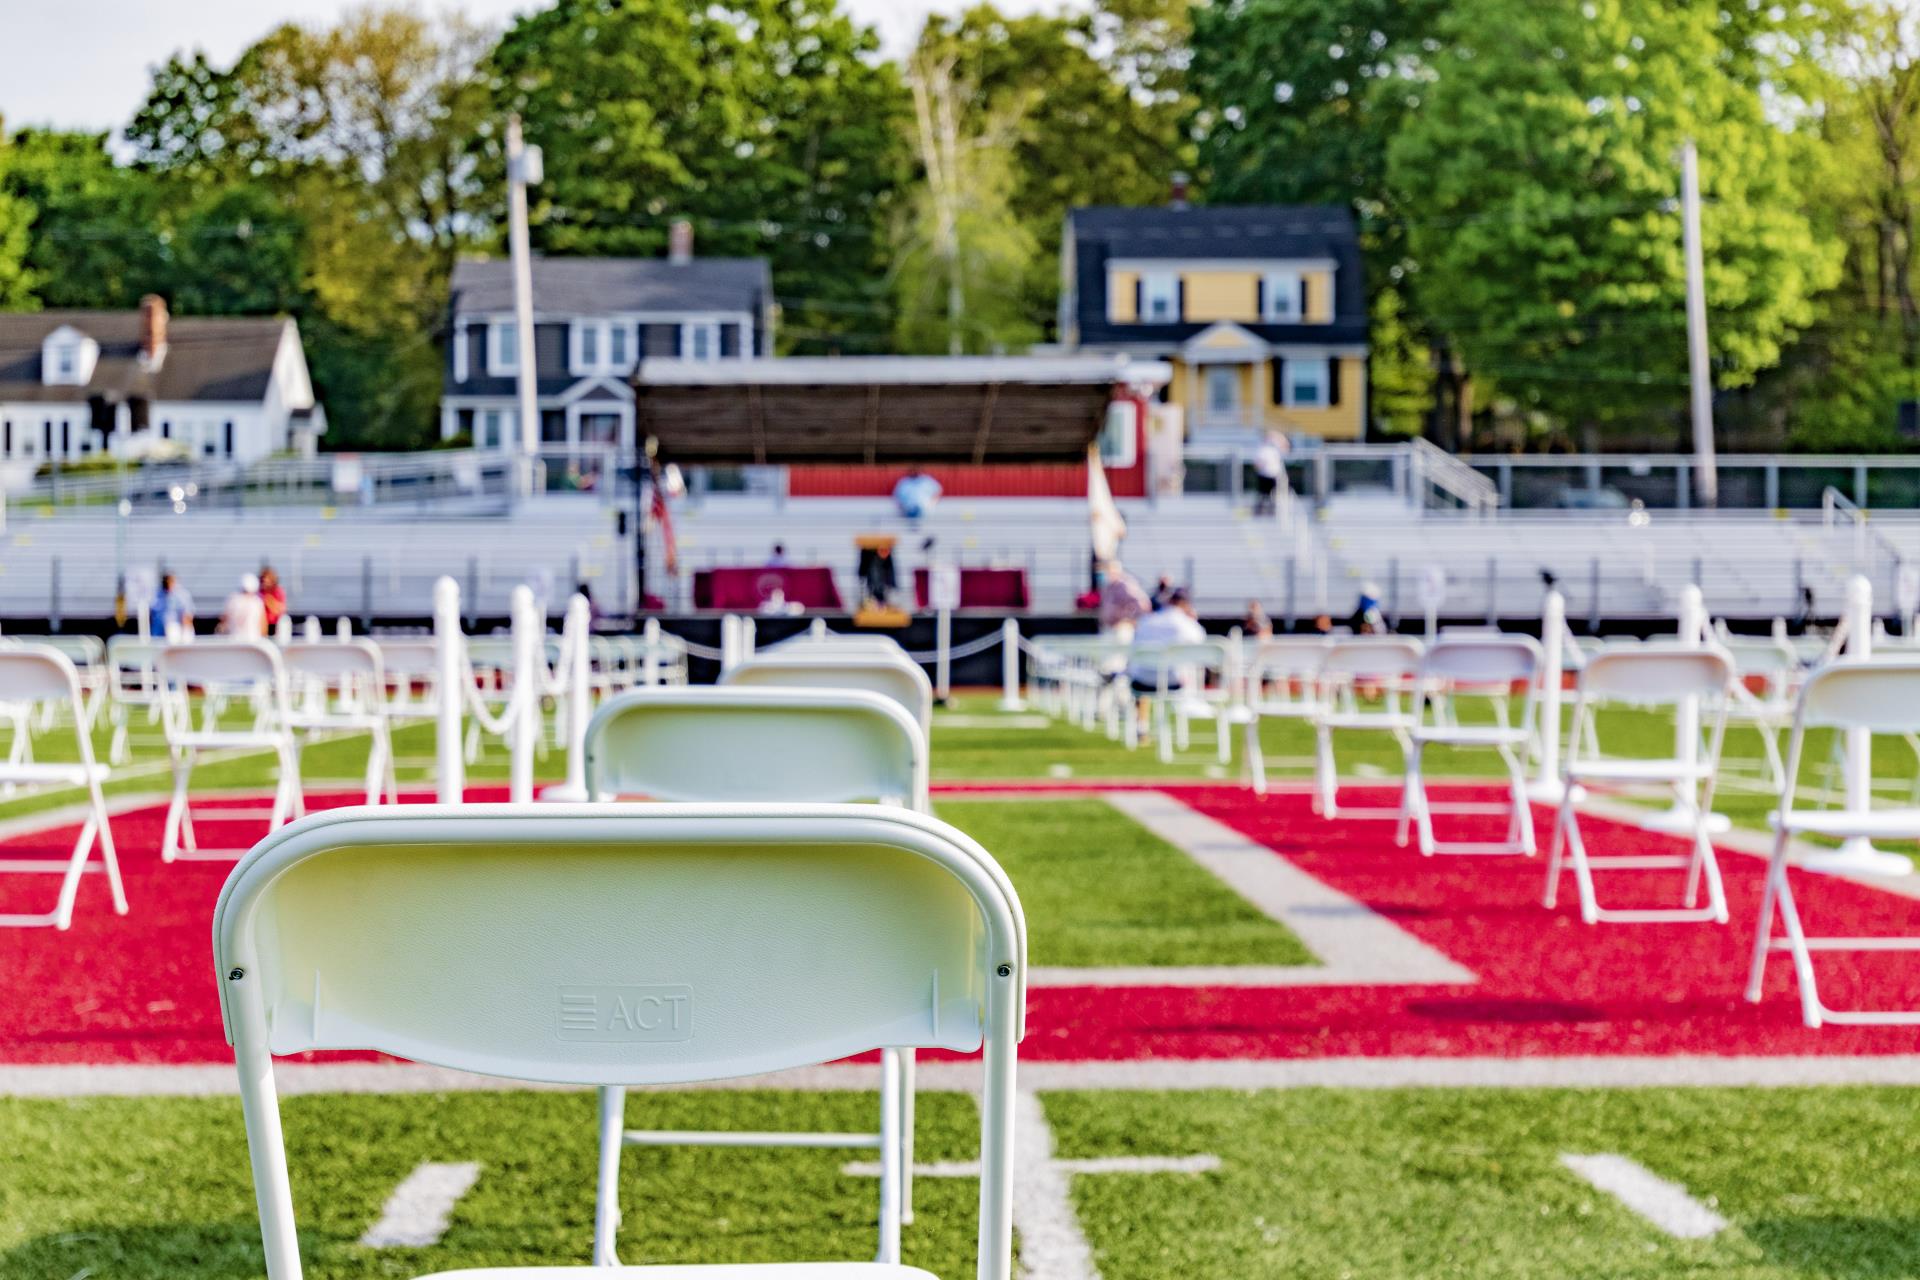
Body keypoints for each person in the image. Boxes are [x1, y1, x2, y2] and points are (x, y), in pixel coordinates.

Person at [1128, 587, 1206, 700]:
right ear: (1185, 604)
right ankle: (1189, 707)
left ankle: (1141, 717)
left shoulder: (1145, 621)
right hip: (1173, 680)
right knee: (1189, 666)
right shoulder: (1188, 624)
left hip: (1141, 679)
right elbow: (1201, 645)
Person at [1097, 559, 1152, 644]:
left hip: (1122, 628)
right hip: (1109, 628)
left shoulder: (1125, 585)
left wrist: (1130, 619)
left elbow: (1143, 603)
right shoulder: (1108, 587)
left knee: (1120, 654)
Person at [220, 573, 267, 640]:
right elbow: (263, 625)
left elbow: (224, 621)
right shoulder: (257, 602)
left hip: (234, 641)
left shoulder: (232, 600)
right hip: (253, 642)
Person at [149, 573, 194, 640]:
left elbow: (187, 614)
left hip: (175, 629)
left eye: (170, 582)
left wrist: (185, 631)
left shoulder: (181, 595)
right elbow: (152, 612)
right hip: (158, 631)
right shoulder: (157, 594)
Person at [1252, 432, 1287, 517]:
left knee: (1273, 494)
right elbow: (1257, 463)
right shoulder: (1261, 449)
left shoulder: (1275, 449)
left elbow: (1286, 447)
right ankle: (1260, 510)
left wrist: (1279, 437)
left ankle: (1272, 510)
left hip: (1274, 475)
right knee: (1263, 494)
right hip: (1263, 475)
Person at [259, 566, 287, 630]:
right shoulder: (260, 592)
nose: (264, 582)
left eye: (266, 580)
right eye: (263, 580)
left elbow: (279, 610)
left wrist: (268, 599)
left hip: (275, 625)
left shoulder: (278, 592)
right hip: (262, 625)